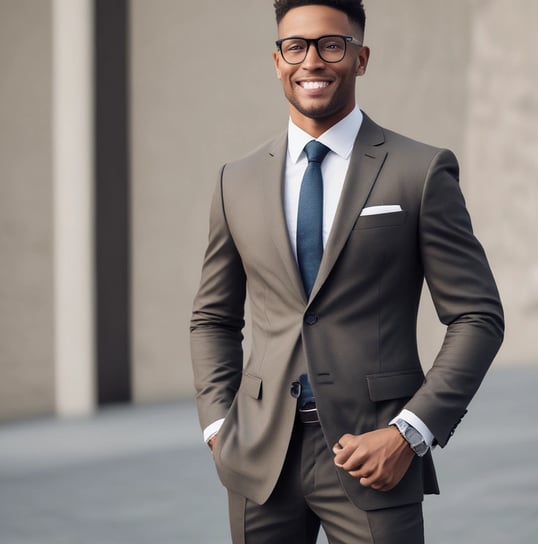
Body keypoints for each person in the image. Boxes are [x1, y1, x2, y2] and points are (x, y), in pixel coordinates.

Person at [190, 1, 504, 542]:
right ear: (277, 60)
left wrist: (409, 434)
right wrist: (219, 426)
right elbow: (213, 317)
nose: (312, 60)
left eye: (331, 45)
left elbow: (477, 316)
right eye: (296, 46)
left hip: (375, 454)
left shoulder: (419, 171)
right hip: (260, 457)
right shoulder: (234, 181)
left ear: (360, 58)